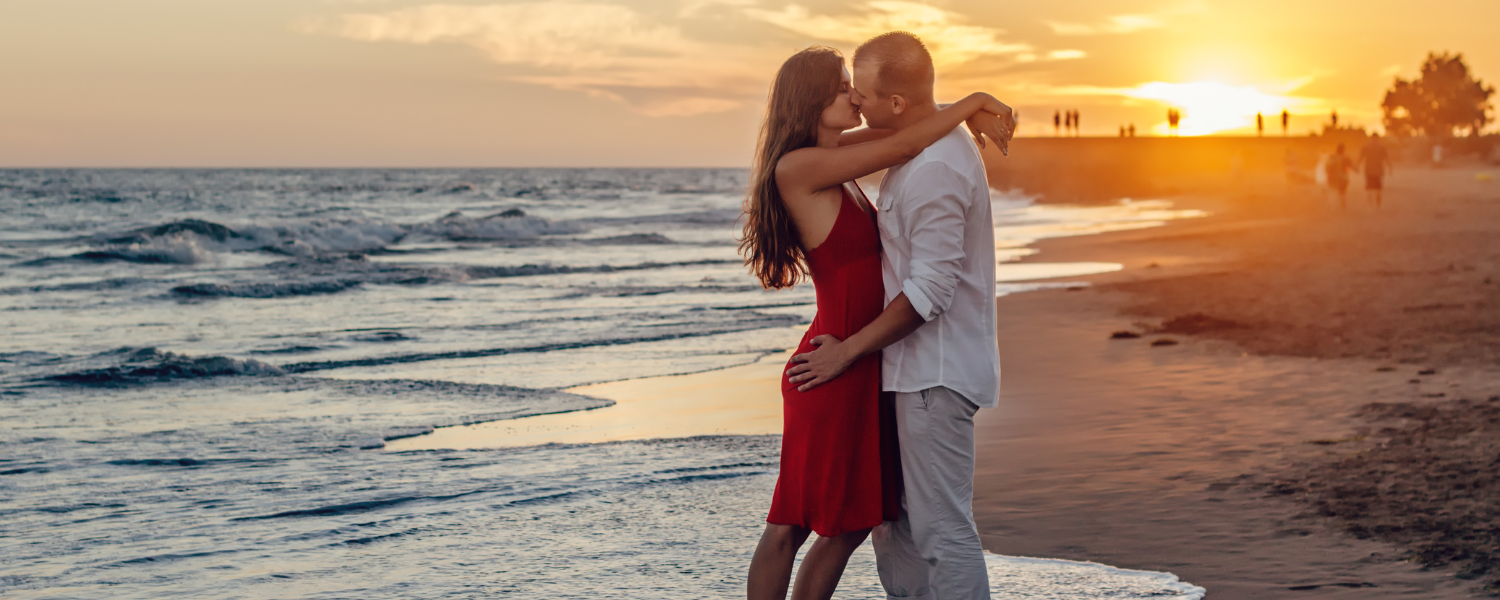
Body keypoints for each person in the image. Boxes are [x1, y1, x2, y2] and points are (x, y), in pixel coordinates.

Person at [739, 43, 1014, 600]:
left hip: (861, 359)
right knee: (792, 522)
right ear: (811, 99)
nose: (853, 96)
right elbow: (910, 138)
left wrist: (960, 111)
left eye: (854, 85)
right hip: (836, 360)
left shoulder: (838, 155)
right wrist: (977, 99)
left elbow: (909, 131)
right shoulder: (801, 166)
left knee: (854, 522)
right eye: (842, 86)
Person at [1360, 134, 1392, 207]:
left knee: (1369, 187)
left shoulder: (1366, 146)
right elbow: (1387, 159)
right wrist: (1390, 168)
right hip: (1378, 170)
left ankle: (1370, 201)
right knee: (1378, 187)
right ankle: (1377, 203)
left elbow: (1361, 157)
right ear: (1377, 138)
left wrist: (1357, 166)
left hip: (1369, 170)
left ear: (1371, 138)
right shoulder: (1381, 147)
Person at [1325, 143, 1354, 209]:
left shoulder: (1332, 157)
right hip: (1343, 177)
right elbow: (1351, 166)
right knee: (1342, 192)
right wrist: (1356, 169)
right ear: (1344, 150)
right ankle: (1342, 205)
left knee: (1333, 191)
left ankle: (1334, 206)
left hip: (1333, 177)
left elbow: (1328, 167)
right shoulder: (1346, 157)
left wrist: (1328, 174)